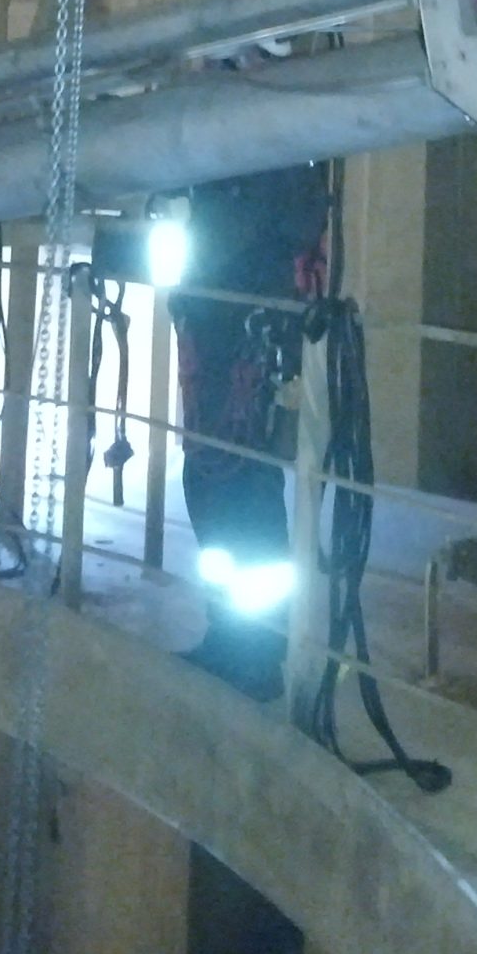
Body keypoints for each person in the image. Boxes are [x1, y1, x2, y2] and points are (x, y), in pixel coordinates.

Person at [169, 162, 328, 700]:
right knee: (207, 486)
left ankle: (259, 655)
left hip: (249, 343)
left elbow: (296, 225)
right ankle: (224, 635)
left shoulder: (285, 160)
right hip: (213, 332)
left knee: (248, 499)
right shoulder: (226, 159)